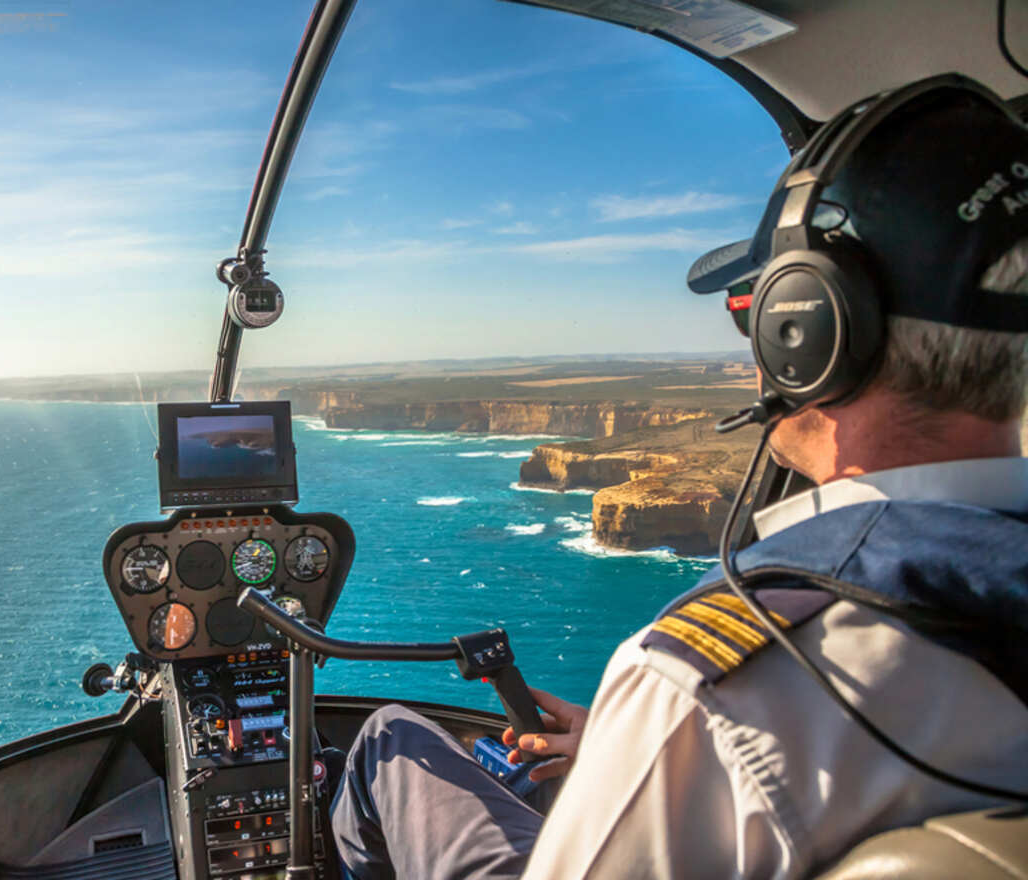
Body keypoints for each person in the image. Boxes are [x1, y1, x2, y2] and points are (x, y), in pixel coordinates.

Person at [331, 76, 1028, 880]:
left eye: (752, 311)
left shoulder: (723, 683)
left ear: (810, 329)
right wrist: (631, 753)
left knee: (387, 742)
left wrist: (663, 737)